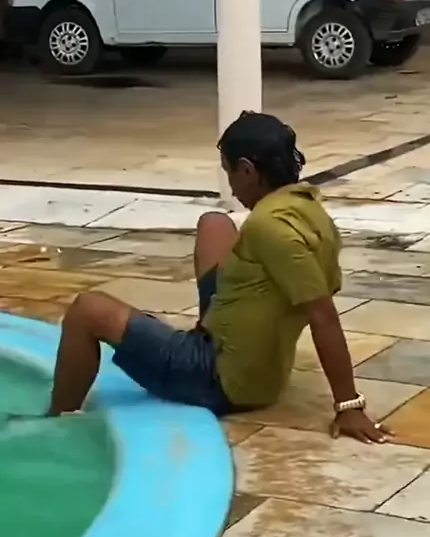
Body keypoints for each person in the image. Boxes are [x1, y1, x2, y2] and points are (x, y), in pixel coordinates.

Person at [47, 111, 391, 445]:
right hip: (241, 340)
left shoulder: (270, 228)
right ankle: (211, 324)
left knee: (87, 310)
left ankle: (56, 419)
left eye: (230, 173)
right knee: (214, 224)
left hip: (218, 379)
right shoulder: (310, 209)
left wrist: (349, 406)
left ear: (248, 170)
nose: (231, 185)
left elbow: (323, 315)